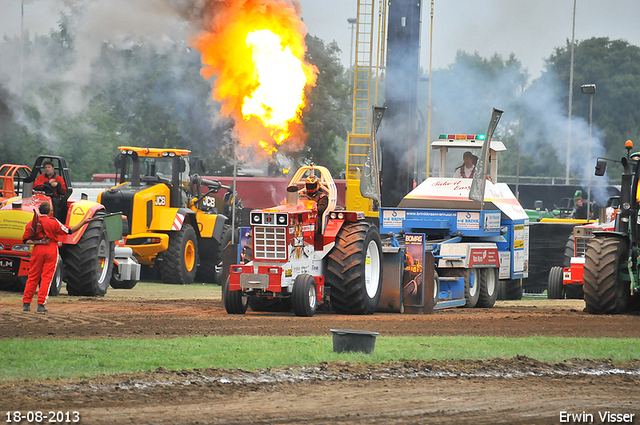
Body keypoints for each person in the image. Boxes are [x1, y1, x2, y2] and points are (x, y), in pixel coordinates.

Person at [22, 201, 93, 313]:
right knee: (47, 278)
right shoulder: (54, 222)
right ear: (50, 210)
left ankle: (26, 303)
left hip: (37, 249)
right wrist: (84, 222)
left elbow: (26, 240)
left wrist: (40, 241)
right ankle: (41, 304)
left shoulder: (33, 223)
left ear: (39, 210)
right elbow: (69, 231)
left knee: (32, 277)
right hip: (51, 249)